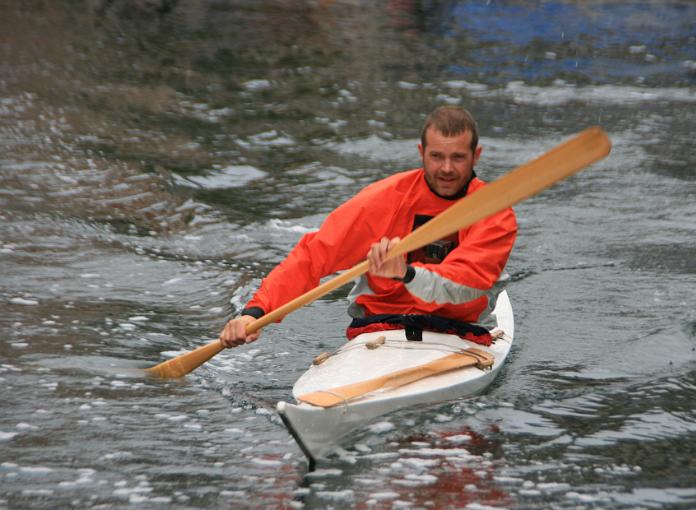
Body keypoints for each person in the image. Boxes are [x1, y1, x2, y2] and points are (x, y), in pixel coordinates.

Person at [220, 105, 517, 348]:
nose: (447, 169)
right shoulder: (385, 199)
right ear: (421, 152)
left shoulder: (494, 213)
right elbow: (313, 256)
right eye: (437, 156)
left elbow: (466, 285)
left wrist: (407, 273)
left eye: (458, 157)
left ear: (476, 156)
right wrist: (255, 313)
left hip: (457, 334)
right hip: (379, 331)